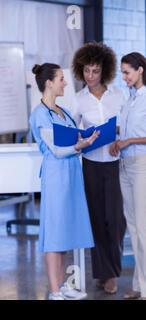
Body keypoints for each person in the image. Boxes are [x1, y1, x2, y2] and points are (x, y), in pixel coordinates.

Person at [29, 63, 99, 300]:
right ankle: (54, 290)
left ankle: (62, 285)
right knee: (55, 233)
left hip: (71, 174)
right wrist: (79, 145)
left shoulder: (63, 111)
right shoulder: (40, 114)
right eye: (61, 79)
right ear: (49, 82)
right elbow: (56, 150)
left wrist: (87, 138)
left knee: (66, 229)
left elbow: (73, 138)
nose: (65, 83)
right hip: (56, 176)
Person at [70, 42, 127, 294]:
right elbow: (72, 132)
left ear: (104, 71)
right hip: (91, 165)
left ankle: (111, 271)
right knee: (95, 219)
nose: (90, 76)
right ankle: (104, 273)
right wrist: (83, 137)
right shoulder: (78, 99)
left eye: (95, 71)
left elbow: (128, 127)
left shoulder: (119, 96)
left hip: (115, 164)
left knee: (115, 220)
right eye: (86, 71)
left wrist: (115, 134)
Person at [109, 52, 146, 300]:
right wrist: (118, 141)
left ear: (140, 70)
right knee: (133, 227)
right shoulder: (129, 99)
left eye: (127, 72)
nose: (124, 77)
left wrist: (129, 140)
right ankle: (139, 285)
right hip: (124, 163)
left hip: (143, 165)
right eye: (122, 72)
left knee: (142, 226)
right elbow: (126, 128)